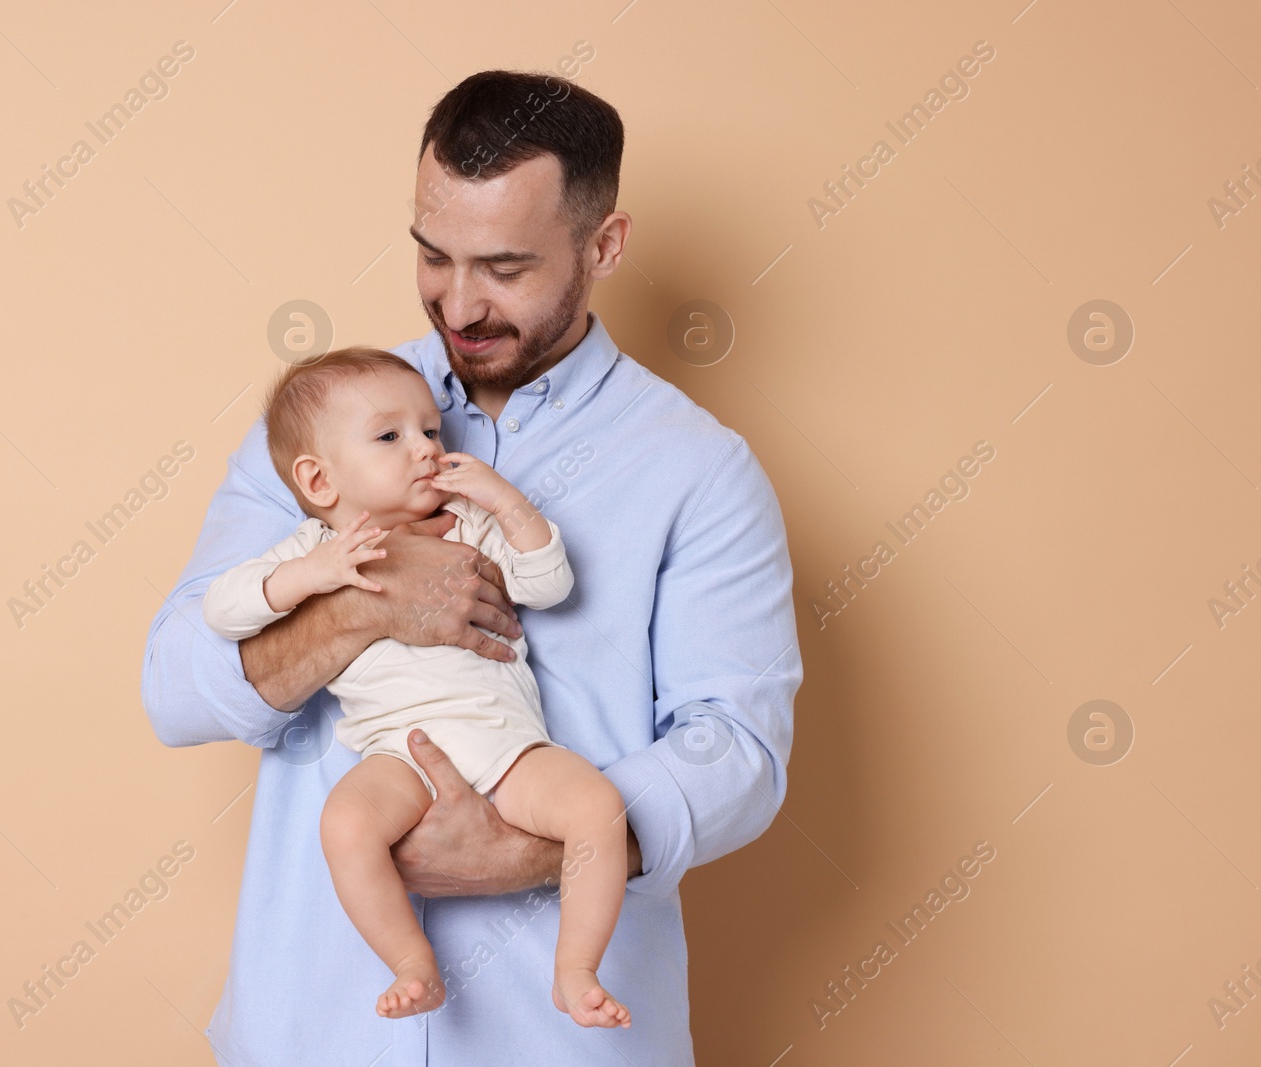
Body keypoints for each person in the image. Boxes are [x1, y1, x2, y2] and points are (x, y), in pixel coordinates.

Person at [141, 69, 801, 1066]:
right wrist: (360, 609)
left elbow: (738, 750)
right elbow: (173, 688)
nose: (459, 301)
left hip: (564, 1040)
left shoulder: (699, 470)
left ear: (604, 246)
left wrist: (523, 852)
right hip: (318, 1024)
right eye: (432, 255)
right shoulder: (324, 423)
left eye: (503, 265)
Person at [198, 345, 632, 1027]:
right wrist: (314, 576)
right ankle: (411, 961)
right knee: (345, 823)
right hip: (400, 754)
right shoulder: (315, 551)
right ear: (319, 481)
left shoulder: (472, 527)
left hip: (506, 745)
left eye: (431, 430)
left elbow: (550, 582)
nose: (426, 449)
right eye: (390, 437)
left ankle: (576, 970)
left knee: (599, 808)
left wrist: (505, 502)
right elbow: (224, 609)